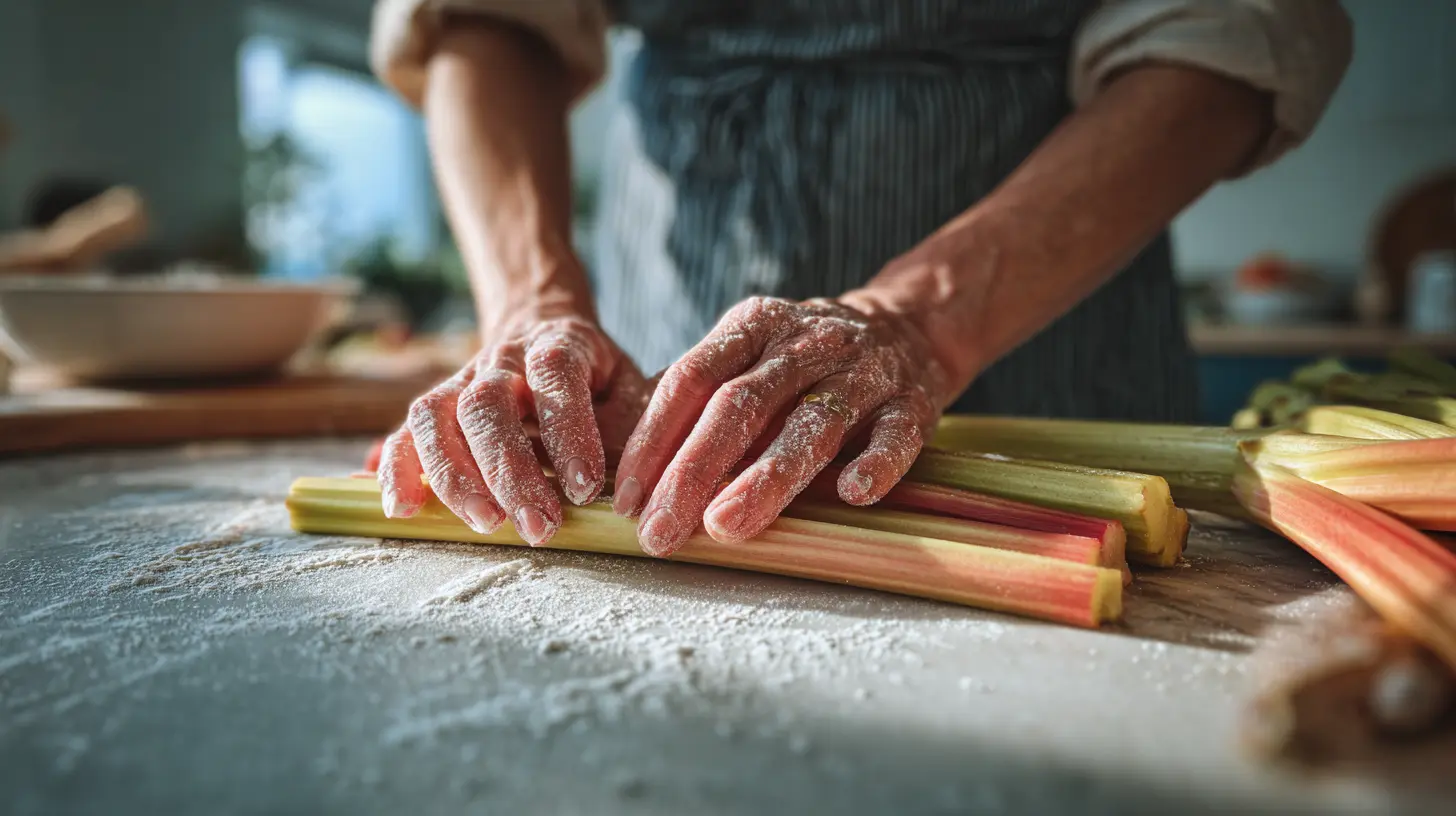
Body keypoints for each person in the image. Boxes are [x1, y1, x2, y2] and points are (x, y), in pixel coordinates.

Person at [368, 0, 1351, 556]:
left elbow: (1234, 29)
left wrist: (922, 322)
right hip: (666, 309)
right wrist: (530, 302)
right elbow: (479, 21)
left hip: (1052, 307)